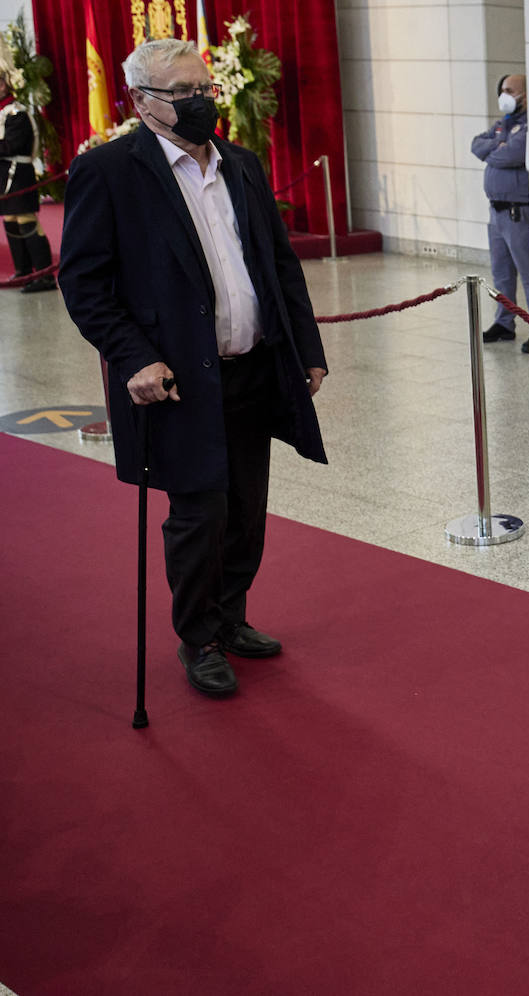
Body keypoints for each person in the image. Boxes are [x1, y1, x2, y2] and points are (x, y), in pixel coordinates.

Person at [59, 39, 328, 699]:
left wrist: (306, 348)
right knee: (198, 516)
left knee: (246, 512)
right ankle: (198, 637)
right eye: (183, 94)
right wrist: (134, 358)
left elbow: (278, 263)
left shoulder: (240, 164)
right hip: (176, 382)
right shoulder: (110, 172)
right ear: (141, 103)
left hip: (252, 369)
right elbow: (85, 283)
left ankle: (231, 617)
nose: (200, 102)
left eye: (203, 88)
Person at [470, 73, 529, 353]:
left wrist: (494, 150)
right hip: (495, 212)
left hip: (517, 211)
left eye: (510, 90)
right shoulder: (502, 125)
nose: (504, 95)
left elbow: (514, 155)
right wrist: (497, 146)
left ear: (526, 95)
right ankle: (504, 323)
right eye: (503, 89)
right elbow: (476, 145)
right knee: (501, 274)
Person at [0, 74, 57, 292]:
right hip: (4, 172)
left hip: (18, 172)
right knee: (11, 219)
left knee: (25, 217)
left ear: (5, 85)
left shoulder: (17, 112)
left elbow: (12, 145)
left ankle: (44, 274)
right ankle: (23, 270)